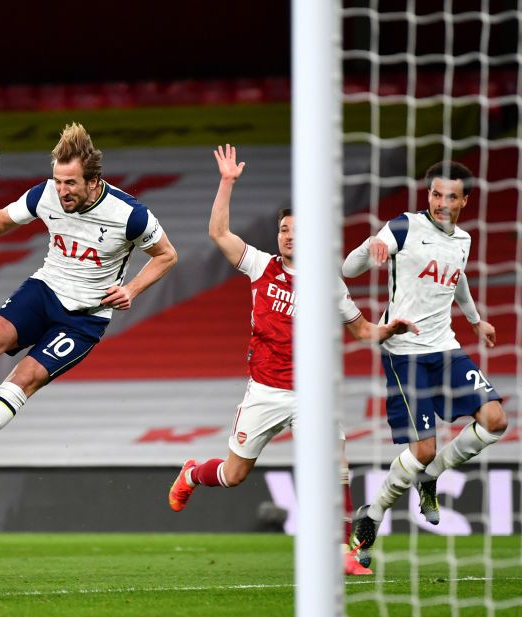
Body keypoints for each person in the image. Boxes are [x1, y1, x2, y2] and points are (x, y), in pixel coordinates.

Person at [166, 145, 420, 576]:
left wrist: (388, 329)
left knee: (335, 465)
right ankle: (192, 474)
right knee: (234, 474)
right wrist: (227, 183)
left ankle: (343, 553)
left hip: (312, 394)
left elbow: (362, 331)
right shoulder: (261, 266)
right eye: (284, 229)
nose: (288, 236)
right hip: (265, 389)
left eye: (297, 231)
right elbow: (219, 234)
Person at [0, 122, 177, 474]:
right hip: (45, 289)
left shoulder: (130, 216)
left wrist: (131, 289)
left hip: (84, 318)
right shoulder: (45, 194)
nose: (61, 191)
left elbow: (167, 255)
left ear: (93, 182)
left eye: (70, 183)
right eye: (58, 181)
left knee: (24, 379)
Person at [343, 160, 507, 568]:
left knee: (495, 420)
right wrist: (370, 248)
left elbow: (459, 278)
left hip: (446, 348)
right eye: (436, 194)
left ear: (464, 201)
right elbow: (348, 268)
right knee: (422, 449)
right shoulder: (403, 226)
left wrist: (474, 320)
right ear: (428, 195)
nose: (441, 203)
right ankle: (373, 514)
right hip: (404, 351)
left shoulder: (463, 241)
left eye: (451, 196)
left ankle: (431, 476)